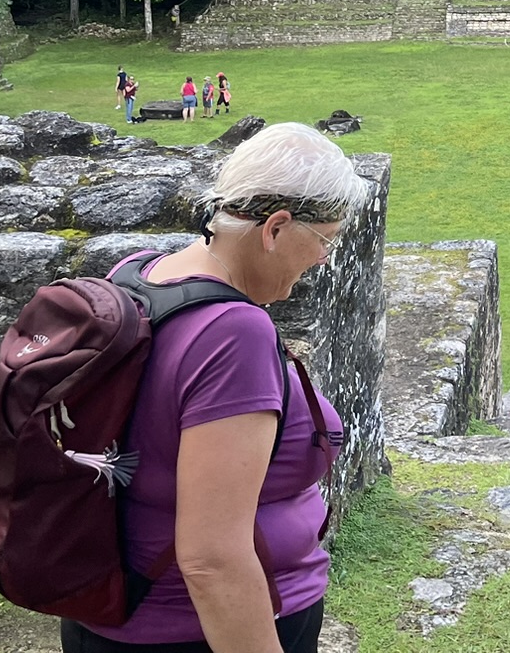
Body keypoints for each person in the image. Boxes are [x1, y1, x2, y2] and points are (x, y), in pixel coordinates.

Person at [65, 122, 369, 653]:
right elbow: (212, 558)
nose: (324, 259)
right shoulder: (234, 334)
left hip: (114, 616)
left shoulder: (138, 275)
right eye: (326, 240)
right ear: (276, 227)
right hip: (197, 631)